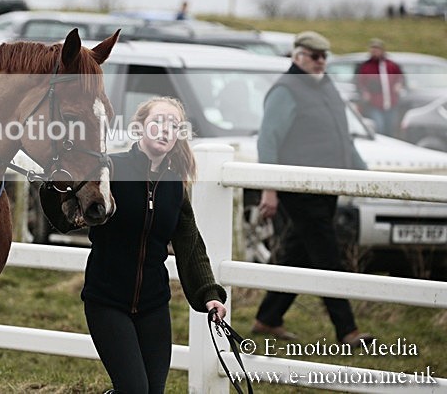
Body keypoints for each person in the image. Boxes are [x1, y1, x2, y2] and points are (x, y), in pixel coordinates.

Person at [81, 96, 227, 394]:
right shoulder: (111, 170)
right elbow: (71, 208)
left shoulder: (175, 185)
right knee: (135, 389)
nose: (165, 130)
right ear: (138, 129)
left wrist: (209, 294)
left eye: (174, 125)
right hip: (107, 301)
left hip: (153, 304)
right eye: (158, 122)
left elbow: (190, 243)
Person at [252, 31, 372, 348]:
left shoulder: (326, 85)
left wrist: (366, 176)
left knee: (299, 252)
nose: (321, 62)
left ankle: (267, 317)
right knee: (327, 255)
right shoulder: (285, 90)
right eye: (314, 56)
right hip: (299, 189)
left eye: (324, 57)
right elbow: (268, 141)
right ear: (298, 56)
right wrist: (270, 189)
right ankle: (347, 330)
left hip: (326, 186)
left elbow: (342, 137)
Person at [355, 38, 405, 137]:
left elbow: (401, 78)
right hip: (375, 104)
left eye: (377, 49)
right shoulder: (365, 67)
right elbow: (359, 83)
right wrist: (364, 92)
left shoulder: (391, 65)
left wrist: (399, 85)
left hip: (391, 102)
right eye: (373, 49)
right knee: (379, 127)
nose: (375, 51)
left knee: (390, 128)